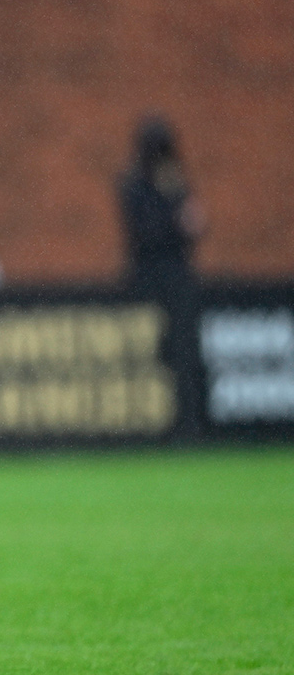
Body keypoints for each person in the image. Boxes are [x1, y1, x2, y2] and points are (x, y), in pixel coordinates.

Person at [117, 114, 205, 436]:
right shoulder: (134, 184)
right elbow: (147, 232)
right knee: (149, 358)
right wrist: (177, 222)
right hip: (147, 280)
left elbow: (195, 224)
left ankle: (187, 425)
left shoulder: (174, 181)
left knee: (183, 356)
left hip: (177, 280)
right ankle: (150, 428)